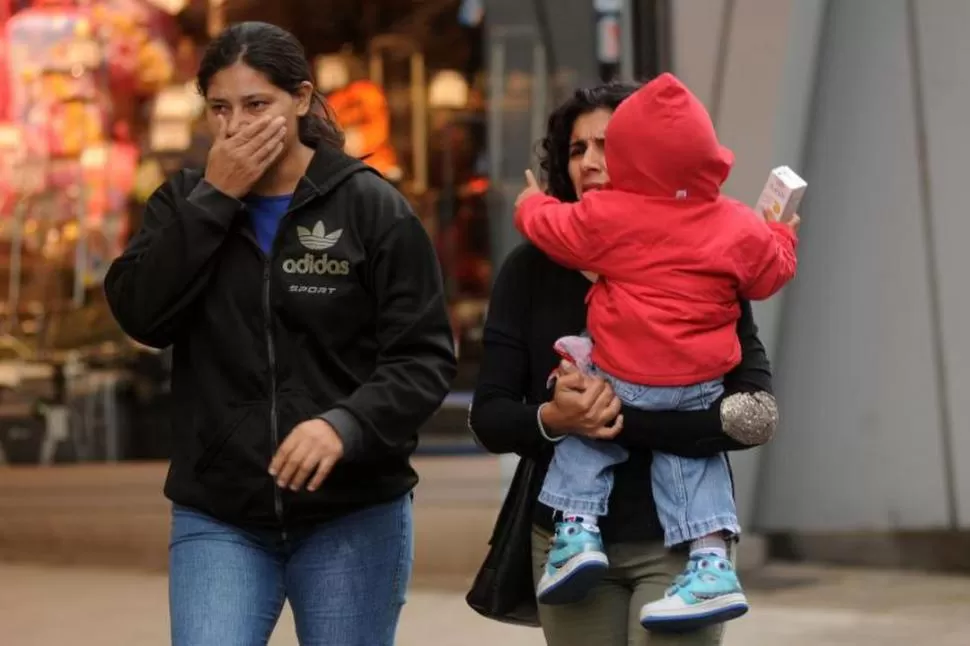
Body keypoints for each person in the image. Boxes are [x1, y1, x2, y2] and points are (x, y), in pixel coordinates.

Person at [104, 22, 456, 646]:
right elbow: (142, 317)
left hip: (352, 511)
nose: (237, 126)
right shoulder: (182, 203)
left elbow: (423, 358)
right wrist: (216, 199)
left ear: (300, 98)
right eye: (220, 108)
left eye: (257, 104)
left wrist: (343, 425)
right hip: (220, 513)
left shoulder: (370, 207)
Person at [469, 81, 782, 646]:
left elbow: (753, 414)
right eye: (575, 148)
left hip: (680, 546)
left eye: (606, 145)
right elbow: (488, 417)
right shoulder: (531, 269)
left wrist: (617, 419)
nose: (589, 161)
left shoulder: (706, 258)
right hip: (565, 541)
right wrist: (555, 418)